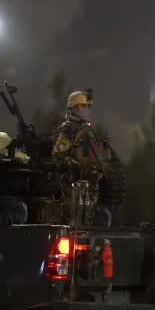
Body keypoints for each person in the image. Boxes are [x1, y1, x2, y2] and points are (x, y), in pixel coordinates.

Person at [52, 90, 111, 226]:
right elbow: (58, 156)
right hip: (74, 189)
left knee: (87, 227)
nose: (88, 110)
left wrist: (101, 170)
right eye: (86, 106)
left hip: (90, 190)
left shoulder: (88, 130)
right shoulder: (68, 129)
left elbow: (98, 156)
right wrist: (81, 168)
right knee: (73, 227)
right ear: (76, 106)